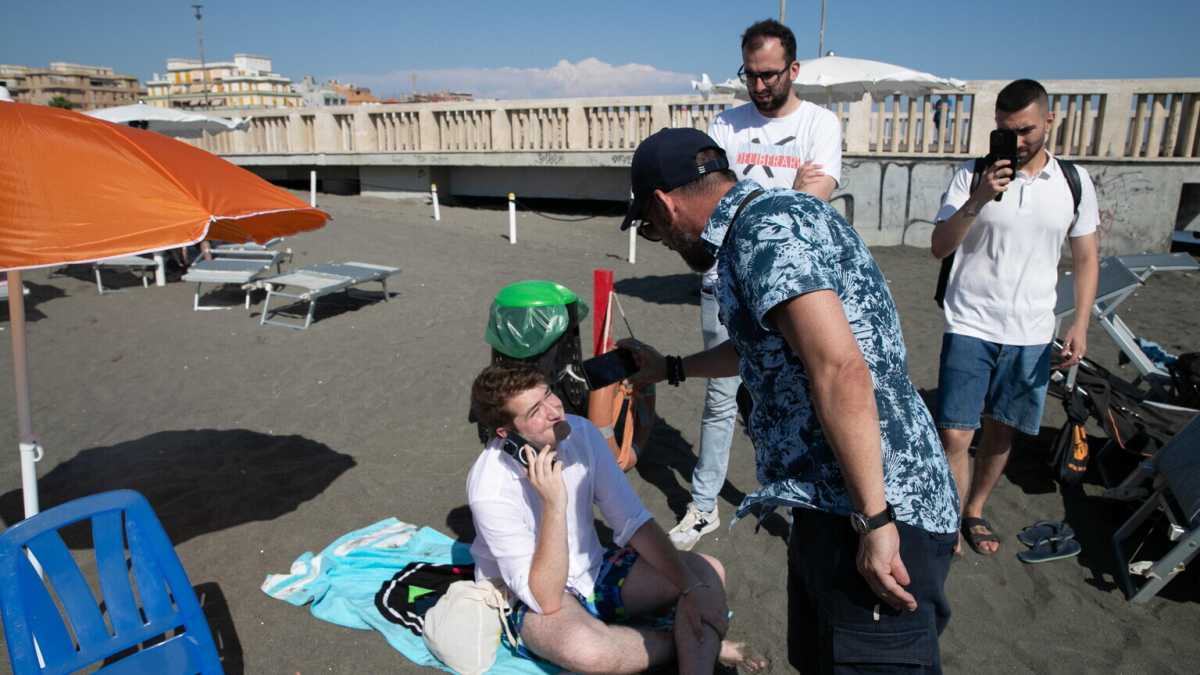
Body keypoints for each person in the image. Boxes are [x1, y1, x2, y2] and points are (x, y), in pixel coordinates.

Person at [619, 127, 959, 673]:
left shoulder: (762, 234)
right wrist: (674, 369)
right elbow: (771, 345)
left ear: (664, 204)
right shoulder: (773, 215)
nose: (661, 238)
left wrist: (875, 521)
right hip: (831, 499)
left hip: (875, 501)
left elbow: (838, 368)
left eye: (652, 228)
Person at [467, 363, 766, 674]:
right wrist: (554, 505)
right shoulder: (490, 488)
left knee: (706, 572)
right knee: (588, 651)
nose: (555, 411)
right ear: (506, 433)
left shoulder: (580, 433)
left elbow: (632, 521)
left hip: (592, 569)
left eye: (549, 395)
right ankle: (693, 641)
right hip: (531, 595)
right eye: (534, 412)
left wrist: (689, 587)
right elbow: (546, 598)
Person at [669, 17, 843, 551]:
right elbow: (710, 205)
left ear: (792, 69)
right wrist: (782, 196)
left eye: (770, 74)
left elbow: (814, 201)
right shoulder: (725, 125)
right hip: (726, 284)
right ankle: (703, 506)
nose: (760, 85)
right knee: (721, 397)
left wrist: (763, 202)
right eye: (751, 75)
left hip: (792, 290)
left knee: (801, 392)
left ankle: (799, 497)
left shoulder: (820, 123)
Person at [931, 79, 1099, 555]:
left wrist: (1081, 323)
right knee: (956, 431)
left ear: (1049, 121)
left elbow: (1086, 258)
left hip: (1030, 331)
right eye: (1006, 131)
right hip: (970, 322)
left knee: (1001, 430)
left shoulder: (1073, 181)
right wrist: (979, 198)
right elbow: (939, 246)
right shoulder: (971, 175)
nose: (1017, 141)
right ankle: (947, 519)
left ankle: (975, 510)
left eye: (1025, 130)